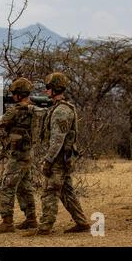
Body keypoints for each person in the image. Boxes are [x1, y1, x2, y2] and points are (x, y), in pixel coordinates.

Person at [26, 72, 89, 236]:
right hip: (63, 157)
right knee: (66, 191)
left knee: (49, 192)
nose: (46, 91)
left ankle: (45, 227)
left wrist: (47, 161)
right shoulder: (59, 108)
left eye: (48, 88)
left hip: (59, 158)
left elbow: (57, 141)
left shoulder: (61, 111)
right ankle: (82, 222)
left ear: (55, 89)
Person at [0, 77, 42, 234]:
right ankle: (31, 219)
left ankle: (7, 222)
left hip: (18, 155)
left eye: (14, 94)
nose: (12, 96)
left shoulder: (15, 111)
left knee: (6, 187)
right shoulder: (33, 109)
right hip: (28, 153)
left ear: (19, 94)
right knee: (25, 187)